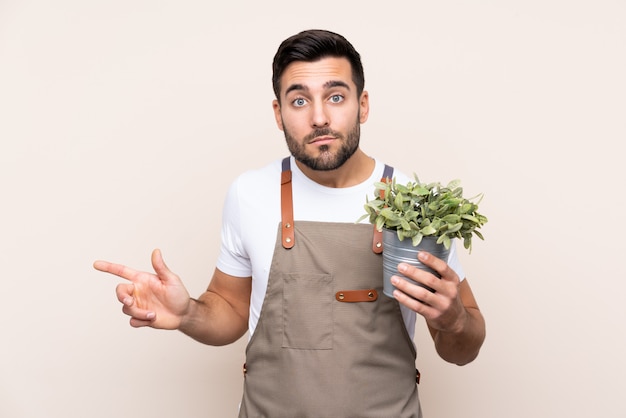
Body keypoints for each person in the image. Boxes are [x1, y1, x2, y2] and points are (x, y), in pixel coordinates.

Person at [93, 29, 486, 418]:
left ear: (362, 105)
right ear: (279, 114)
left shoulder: (413, 203)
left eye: (336, 97)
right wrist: (187, 315)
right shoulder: (249, 194)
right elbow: (230, 309)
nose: (319, 118)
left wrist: (454, 321)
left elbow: (463, 350)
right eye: (299, 101)